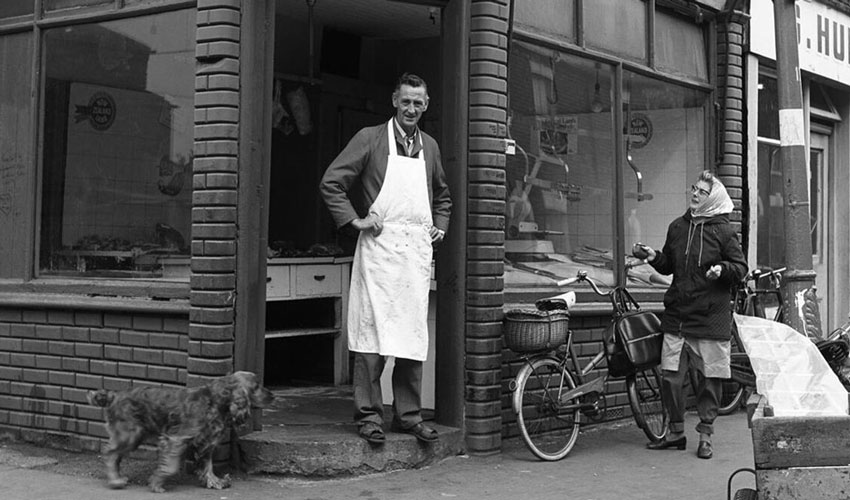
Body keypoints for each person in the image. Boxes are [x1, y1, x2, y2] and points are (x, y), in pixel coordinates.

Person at [319, 73, 451, 445]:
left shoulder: (431, 147)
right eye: (405, 101)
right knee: (371, 337)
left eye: (418, 103)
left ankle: (407, 416)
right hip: (378, 252)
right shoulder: (369, 138)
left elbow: (442, 195)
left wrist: (440, 225)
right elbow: (332, 182)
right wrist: (355, 220)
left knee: (410, 336)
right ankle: (369, 416)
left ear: (426, 106)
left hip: (413, 256)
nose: (411, 109)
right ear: (395, 100)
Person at [632, 170, 747, 460]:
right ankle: (676, 433)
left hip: (710, 317)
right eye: (694, 188)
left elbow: (740, 268)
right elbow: (669, 265)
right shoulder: (677, 227)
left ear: (714, 198)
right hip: (678, 316)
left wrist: (722, 269)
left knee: (710, 380)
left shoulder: (723, 231)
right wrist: (652, 256)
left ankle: (706, 435)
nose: (694, 194)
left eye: (702, 191)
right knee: (670, 377)